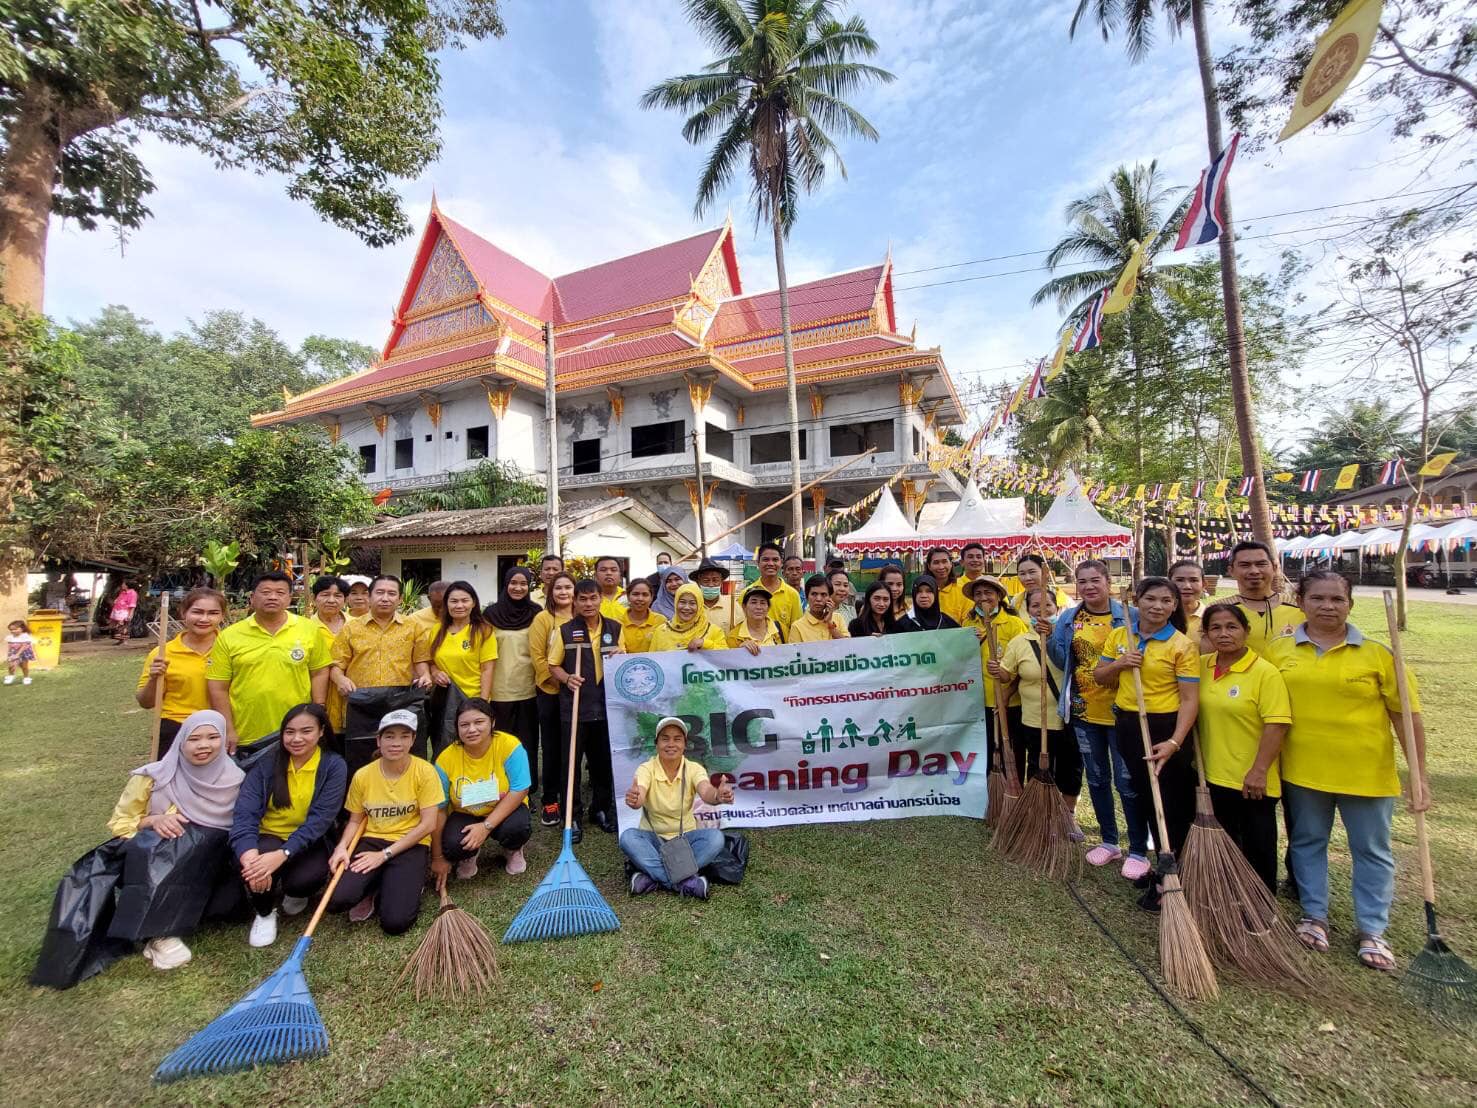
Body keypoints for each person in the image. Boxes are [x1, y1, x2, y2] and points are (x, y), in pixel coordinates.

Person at [1266, 570, 1429, 972]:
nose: (1327, 606)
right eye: (1318, 598)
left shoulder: (1378, 654)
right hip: (1303, 770)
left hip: (1366, 773)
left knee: (1372, 851)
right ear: (1300, 602)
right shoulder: (1279, 651)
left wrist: (1419, 775)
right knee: (1306, 841)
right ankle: (1314, 915)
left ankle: (1372, 928)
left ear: (1350, 605)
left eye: (1337, 599)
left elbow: (1406, 717)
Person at [106, 710, 245, 969]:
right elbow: (120, 822)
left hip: (211, 864)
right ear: (181, 741)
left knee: (223, 908)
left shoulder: (235, 779)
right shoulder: (154, 776)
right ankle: (159, 933)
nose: (204, 745)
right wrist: (153, 821)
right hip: (158, 861)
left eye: (213, 737)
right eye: (194, 739)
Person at [1094, 576, 1200, 906]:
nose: (1157, 606)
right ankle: (1161, 868)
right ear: (1137, 599)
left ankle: (1174, 874)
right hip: (1128, 722)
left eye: (1166, 601)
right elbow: (1099, 675)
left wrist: (1174, 742)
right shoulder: (1120, 634)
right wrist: (1121, 664)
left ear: (1175, 606)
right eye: (1150, 599)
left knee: (1169, 803)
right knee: (1145, 796)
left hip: (1163, 728)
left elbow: (1190, 700)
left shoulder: (1181, 645)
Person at [1048, 559, 1141, 877]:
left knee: (1127, 782)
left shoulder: (1129, 617)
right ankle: (1109, 841)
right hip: (1084, 712)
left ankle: (1139, 849)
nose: (1089, 586)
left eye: (1095, 580)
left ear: (1108, 581)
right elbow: (1061, 658)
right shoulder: (1070, 619)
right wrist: (1048, 636)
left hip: (1123, 712)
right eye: (1083, 581)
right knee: (1097, 779)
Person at [229, 703, 348, 947]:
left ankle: (294, 892)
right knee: (256, 866)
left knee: (304, 880)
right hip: (268, 835)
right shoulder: (267, 762)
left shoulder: (333, 765)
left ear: (321, 731)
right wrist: (251, 856)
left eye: (306, 731)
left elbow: (319, 822)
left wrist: (283, 854)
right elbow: (245, 812)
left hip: (308, 839)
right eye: (289, 732)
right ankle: (264, 912)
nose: (296, 739)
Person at [1196, 602, 1291, 895]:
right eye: (1216, 628)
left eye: (1232, 627)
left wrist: (1259, 770)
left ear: (1246, 631)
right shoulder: (1202, 666)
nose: (1224, 634)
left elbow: (1277, 724)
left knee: (1257, 847)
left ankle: (1261, 907)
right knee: (1225, 844)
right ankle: (1227, 899)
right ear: (1206, 634)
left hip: (1251, 779)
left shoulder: (1265, 673)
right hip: (1211, 775)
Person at [328, 710, 443, 934]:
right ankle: (371, 886)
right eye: (389, 736)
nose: (396, 743)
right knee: (338, 900)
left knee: (395, 923)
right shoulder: (363, 775)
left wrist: (384, 855)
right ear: (378, 740)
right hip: (372, 840)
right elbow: (354, 821)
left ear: (412, 740)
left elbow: (428, 825)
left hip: (411, 842)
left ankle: (400, 881)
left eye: (403, 736)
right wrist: (341, 847)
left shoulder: (425, 772)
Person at [208, 572, 331, 754]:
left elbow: (319, 672)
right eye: (265, 592)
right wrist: (229, 728)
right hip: (247, 733)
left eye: (280, 593)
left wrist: (318, 708)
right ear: (252, 598)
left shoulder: (309, 630)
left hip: (297, 732)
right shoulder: (230, 636)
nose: (273, 597)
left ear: (289, 598)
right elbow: (218, 687)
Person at [620, 716, 736, 899]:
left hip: (685, 840)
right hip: (653, 840)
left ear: (685, 744)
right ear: (656, 743)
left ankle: (652, 877)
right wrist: (635, 799)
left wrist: (718, 796)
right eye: (665, 738)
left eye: (677, 739)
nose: (671, 744)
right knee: (628, 838)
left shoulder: (694, 769)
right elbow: (639, 794)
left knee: (715, 838)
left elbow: (706, 791)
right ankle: (683, 882)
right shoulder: (646, 769)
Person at [996, 588, 1081, 836]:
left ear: (1058, 609)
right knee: (1038, 769)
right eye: (1035, 607)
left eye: (1048, 607)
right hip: (1034, 719)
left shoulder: (1071, 637)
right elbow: (1007, 674)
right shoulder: (1020, 642)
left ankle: (1068, 817)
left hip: (1069, 717)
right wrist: (996, 669)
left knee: (1071, 769)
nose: (1041, 612)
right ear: (1028, 610)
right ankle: (1040, 816)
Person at [548, 580, 624, 840]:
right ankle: (573, 816)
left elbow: (624, 663)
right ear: (575, 602)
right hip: (575, 708)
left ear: (601, 598)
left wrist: (620, 655)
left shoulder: (615, 628)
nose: (588, 604)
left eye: (593, 598)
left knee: (603, 763)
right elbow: (552, 665)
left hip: (605, 707)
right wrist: (566, 677)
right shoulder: (565, 631)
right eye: (583, 599)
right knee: (570, 765)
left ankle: (600, 810)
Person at [432, 698, 532, 884]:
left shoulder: (510, 746)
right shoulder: (446, 759)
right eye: (464, 724)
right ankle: (469, 853)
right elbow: (439, 808)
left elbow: (520, 788)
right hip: (465, 812)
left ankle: (513, 848)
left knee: (516, 828)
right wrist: (438, 857)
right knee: (453, 846)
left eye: (479, 722)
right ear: (457, 728)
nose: (472, 729)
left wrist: (485, 827)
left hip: (504, 806)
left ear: (492, 722)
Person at [329, 575, 433, 731]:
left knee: (399, 749)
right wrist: (340, 680)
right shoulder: (351, 628)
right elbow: (336, 664)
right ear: (369, 597)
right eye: (379, 592)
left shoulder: (413, 627)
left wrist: (425, 675)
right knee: (362, 751)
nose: (385, 598)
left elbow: (420, 660)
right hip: (361, 703)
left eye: (391, 594)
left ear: (400, 599)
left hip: (401, 701)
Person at [136, 587, 227, 754]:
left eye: (213, 613)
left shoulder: (231, 649)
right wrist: (154, 678)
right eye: (197, 612)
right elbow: (145, 702)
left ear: (222, 616)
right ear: (183, 613)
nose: (204, 619)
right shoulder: (163, 653)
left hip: (221, 726)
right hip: (176, 728)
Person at [486, 566, 543, 804]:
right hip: (499, 690)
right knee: (500, 742)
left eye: (523, 583)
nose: (518, 588)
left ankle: (526, 789)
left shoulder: (536, 612)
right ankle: (501, 787)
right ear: (505, 584)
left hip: (529, 689)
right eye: (513, 583)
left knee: (527, 742)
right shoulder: (490, 614)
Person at [529, 572, 575, 827]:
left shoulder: (583, 618)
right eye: (559, 588)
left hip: (580, 694)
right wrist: (562, 679)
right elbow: (538, 657)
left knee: (574, 748)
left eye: (569, 587)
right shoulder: (542, 619)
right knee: (552, 747)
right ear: (551, 592)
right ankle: (550, 799)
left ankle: (572, 798)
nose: (564, 592)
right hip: (551, 692)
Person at [962, 576, 1026, 755]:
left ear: (998, 595)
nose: (983, 598)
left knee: (1012, 750)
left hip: (1009, 701)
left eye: (988, 593)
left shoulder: (1014, 624)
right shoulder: (969, 623)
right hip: (980, 701)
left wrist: (1007, 694)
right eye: (978, 594)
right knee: (988, 751)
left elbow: (1024, 664)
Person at [1226, 541, 1301, 654]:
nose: (1254, 571)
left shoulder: (1300, 608)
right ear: (1231, 571)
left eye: (1261, 564)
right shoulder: (1220, 610)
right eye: (1245, 565)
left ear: (1275, 568)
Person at [428, 581, 498, 700]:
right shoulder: (437, 630)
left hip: (472, 699)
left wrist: (483, 702)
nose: (459, 606)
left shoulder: (484, 631)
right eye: (454, 601)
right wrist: (435, 673)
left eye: (465, 601)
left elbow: (487, 670)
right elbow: (431, 662)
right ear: (446, 604)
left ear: (474, 603)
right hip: (443, 700)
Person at [650, 582, 729, 651]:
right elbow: (653, 662)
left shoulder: (714, 631)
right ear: (676, 603)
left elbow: (724, 658)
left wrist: (705, 644)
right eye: (682, 602)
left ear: (700, 605)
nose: (687, 607)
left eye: (692, 603)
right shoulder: (661, 632)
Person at [740, 544, 801, 634]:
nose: (771, 564)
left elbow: (797, 630)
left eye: (775, 560)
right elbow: (740, 627)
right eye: (766, 559)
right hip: (755, 647)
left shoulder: (793, 594)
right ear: (758, 562)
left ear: (781, 563)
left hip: (784, 647)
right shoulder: (746, 594)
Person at [789, 575, 849, 642]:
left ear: (829, 597)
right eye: (814, 594)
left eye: (823, 594)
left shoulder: (838, 618)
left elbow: (848, 646)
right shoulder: (797, 626)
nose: (818, 599)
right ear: (807, 597)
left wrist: (830, 624)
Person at [940, 543, 989, 623]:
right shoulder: (951, 587)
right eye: (970, 557)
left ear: (984, 561)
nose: (975, 560)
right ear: (962, 562)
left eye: (979, 557)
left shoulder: (993, 585)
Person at [618, 577, 666, 654]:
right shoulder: (617, 623)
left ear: (651, 597)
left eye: (645, 595)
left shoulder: (661, 621)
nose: (640, 598)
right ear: (628, 596)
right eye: (635, 594)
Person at [728, 587, 784, 653]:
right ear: (744, 606)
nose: (758, 607)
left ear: (768, 608)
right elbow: (730, 661)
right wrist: (739, 650)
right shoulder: (734, 636)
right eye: (753, 602)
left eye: (762, 603)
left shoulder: (781, 629)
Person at [691, 559, 735, 636]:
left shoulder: (732, 604)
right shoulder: (691, 606)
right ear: (698, 583)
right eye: (706, 580)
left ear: (721, 582)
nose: (711, 584)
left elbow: (739, 631)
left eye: (715, 580)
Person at [1168, 560, 1208, 643]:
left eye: (1194, 580)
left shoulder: (1211, 618)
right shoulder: (1159, 615)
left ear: (1204, 585)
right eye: (1180, 580)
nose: (1187, 586)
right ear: (1169, 584)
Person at [308, 575, 350, 648]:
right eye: (325, 595)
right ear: (314, 598)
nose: (331, 600)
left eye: (337, 596)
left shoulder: (355, 623)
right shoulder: (307, 627)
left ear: (345, 600)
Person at [594, 557, 628, 622]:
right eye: (603, 570)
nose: (609, 573)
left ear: (620, 576)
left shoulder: (629, 597)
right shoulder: (589, 599)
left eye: (613, 570)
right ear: (595, 576)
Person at [6, 619, 35, 686]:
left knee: (24, 666)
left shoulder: (25, 636)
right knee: (11, 665)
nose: (13, 631)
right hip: (13, 652)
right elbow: (9, 646)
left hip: (23, 653)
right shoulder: (10, 637)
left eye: (15, 629)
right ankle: (11, 676)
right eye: (11, 630)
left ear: (22, 628)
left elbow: (24, 646)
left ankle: (26, 678)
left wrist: (17, 655)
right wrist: (9, 655)